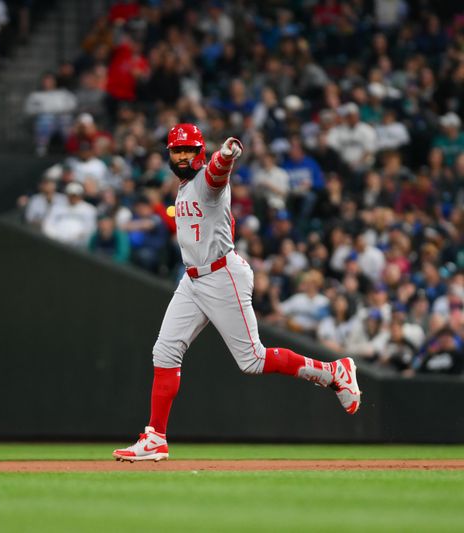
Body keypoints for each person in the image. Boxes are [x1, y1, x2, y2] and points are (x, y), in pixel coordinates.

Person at [113, 123, 361, 462]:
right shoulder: (184, 187)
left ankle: (333, 372)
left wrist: (226, 154)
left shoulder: (204, 181)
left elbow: (217, 173)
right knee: (165, 351)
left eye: (188, 149)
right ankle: (155, 437)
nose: (183, 155)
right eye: (177, 150)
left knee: (253, 360)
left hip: (221, 274)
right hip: (194, 280)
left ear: (200, 151)